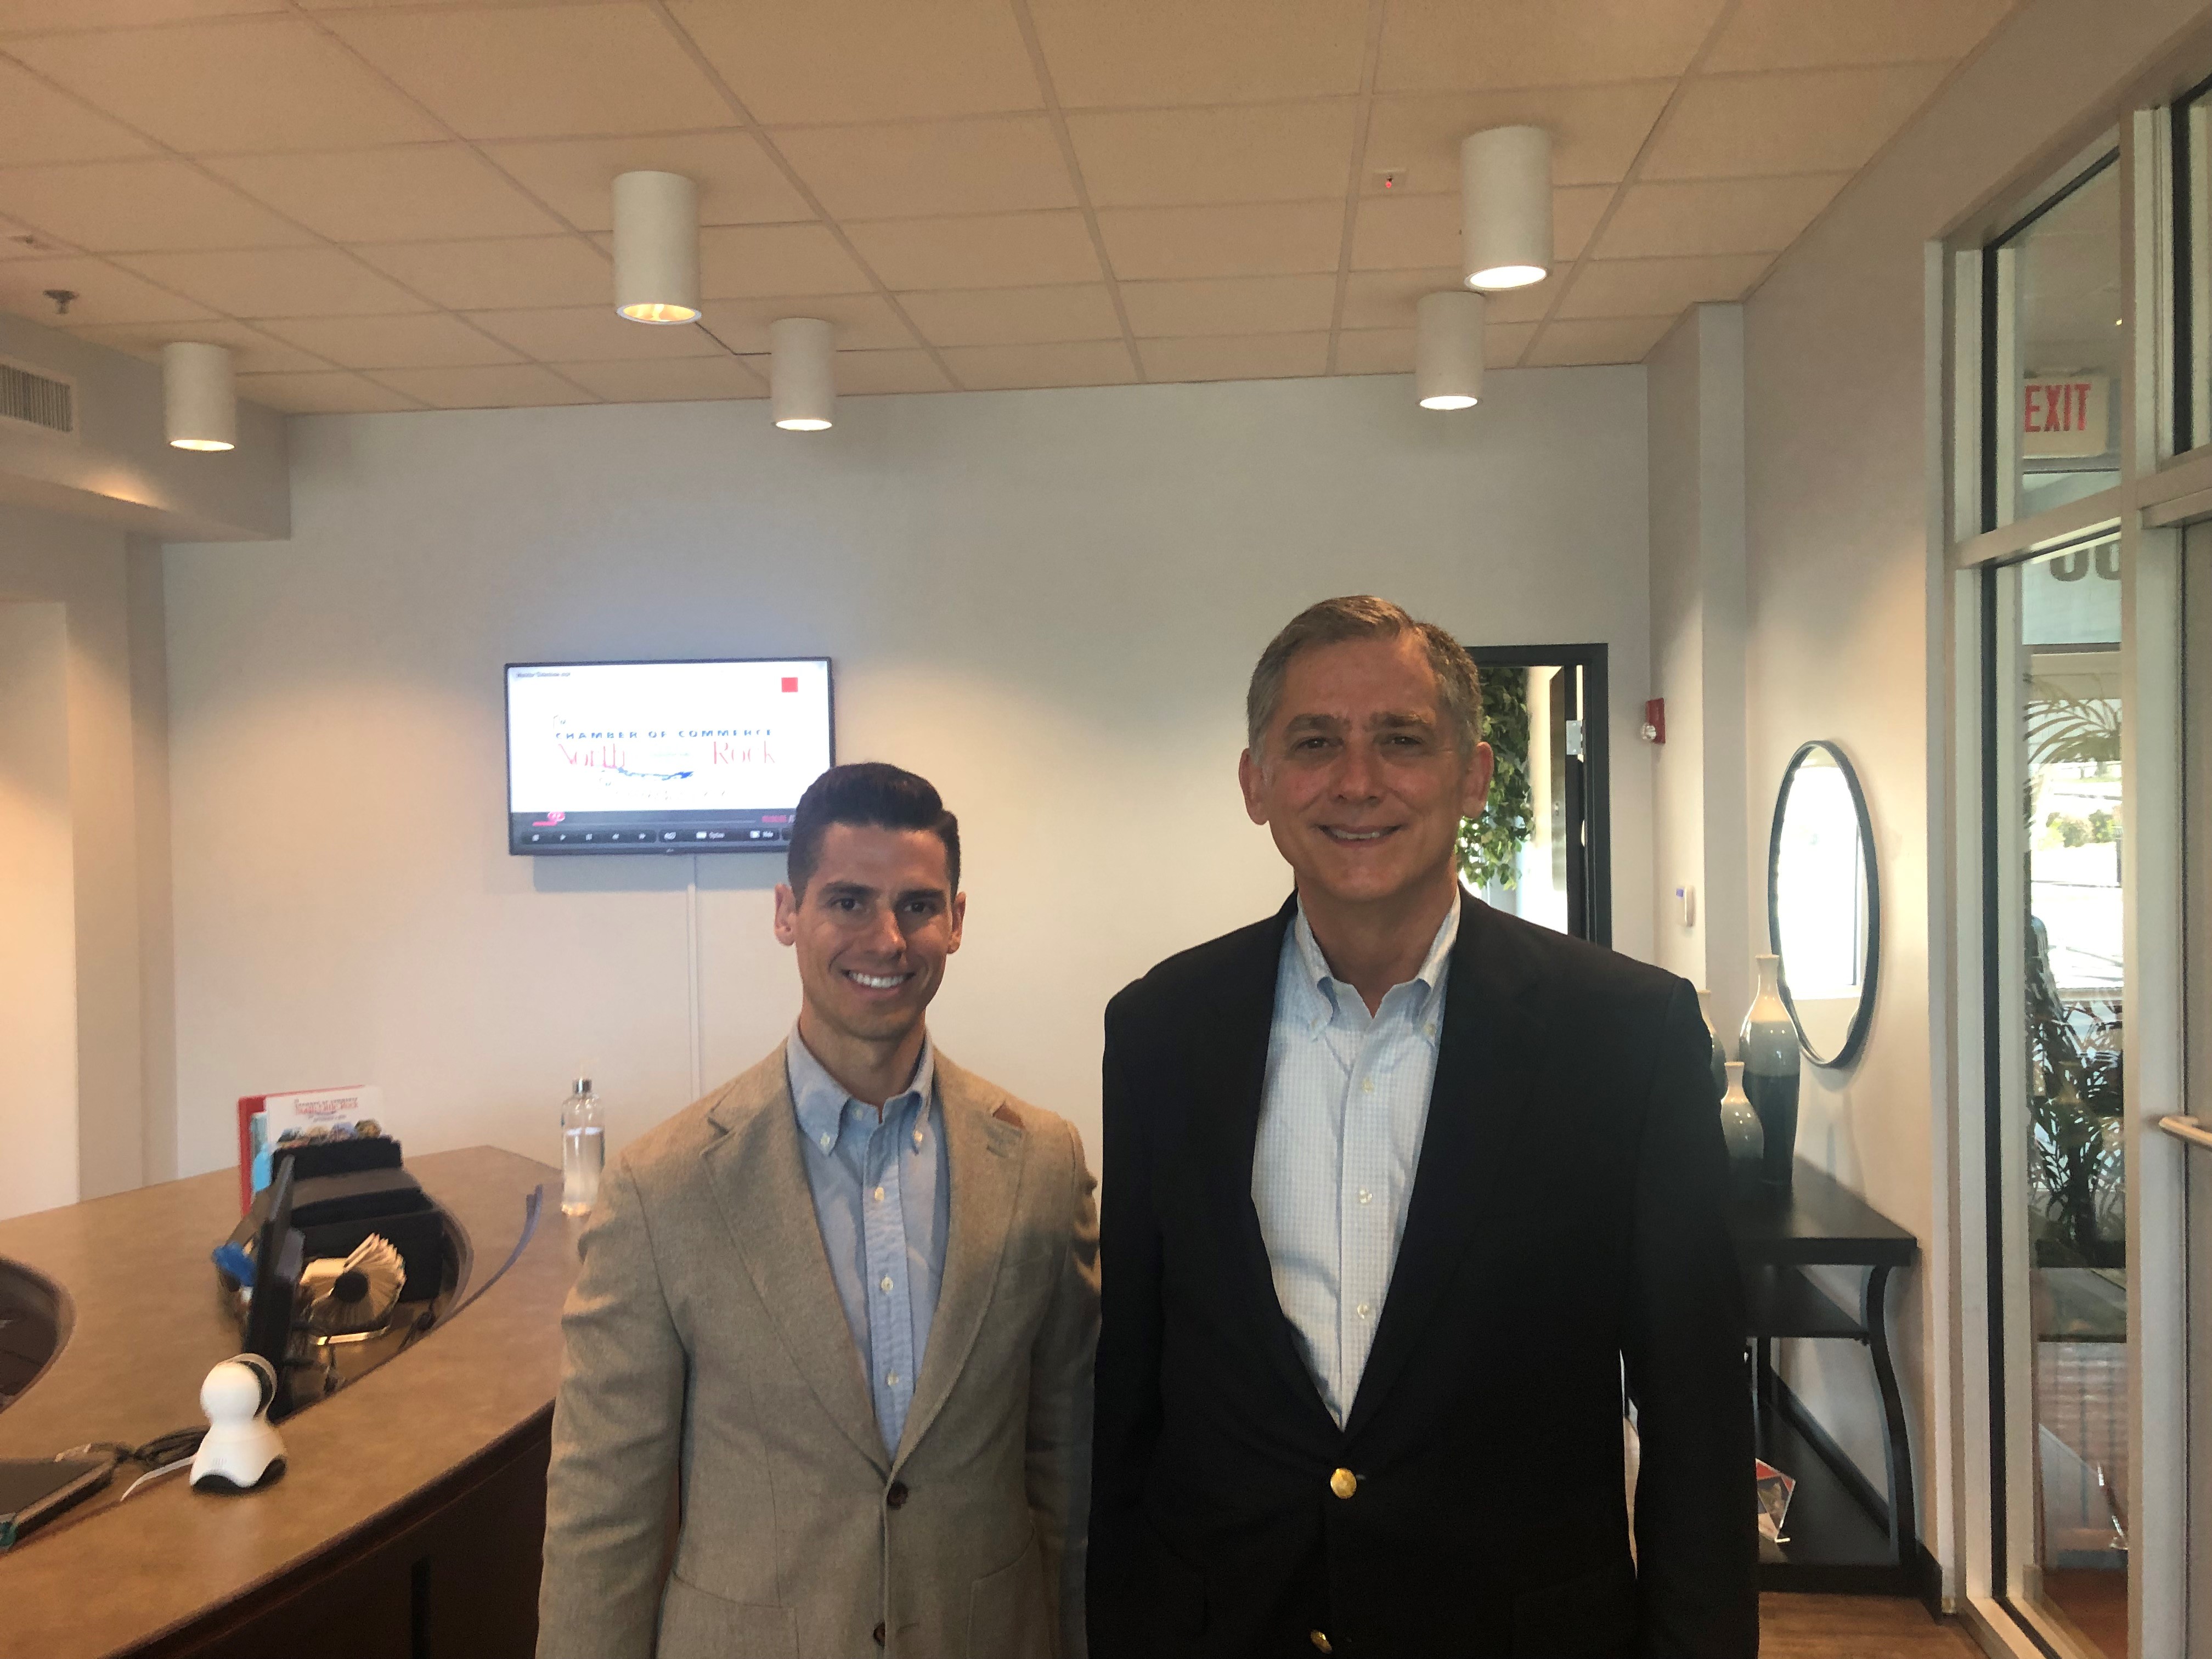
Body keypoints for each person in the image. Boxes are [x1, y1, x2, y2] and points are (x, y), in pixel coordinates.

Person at [1088, 597, 1757, 1658]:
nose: (1358, 781)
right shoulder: (1160, 1031)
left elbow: (1698, 1415)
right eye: (1315, 743)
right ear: (1257, 783)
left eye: (1402, 740)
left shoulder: (1627, 1035)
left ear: (1474, 775)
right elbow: (1134, 1391)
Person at [540, 762, 1099, 1659]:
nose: (888, 939)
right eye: (848, 902)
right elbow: (603, 1517)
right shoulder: (662, 1190)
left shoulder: (1043, 1165)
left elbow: (1065, 1467)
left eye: (918, 906)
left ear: (956, 921)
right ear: (787, 913)